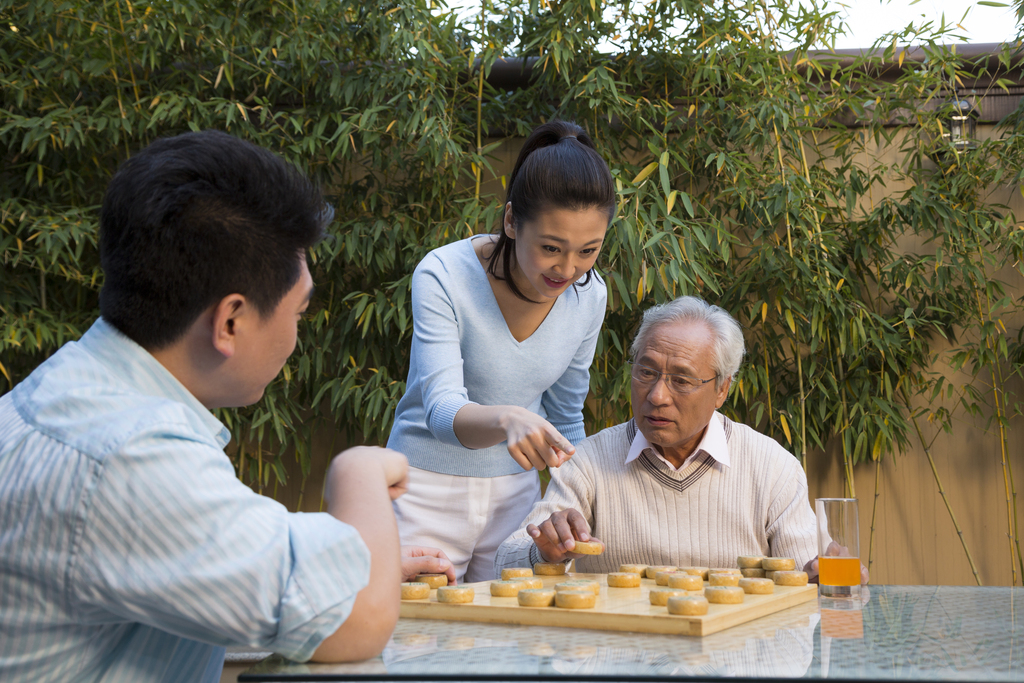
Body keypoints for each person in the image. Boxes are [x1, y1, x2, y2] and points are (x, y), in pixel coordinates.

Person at [0, 130, 453, 683]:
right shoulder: (132, 455)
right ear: (231, 321)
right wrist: (356, 473)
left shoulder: (63, 395)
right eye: (300, 311)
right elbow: (358, 622)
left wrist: (353, 561)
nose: (296, 335)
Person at [495, 296, 869, 584]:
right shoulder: (589, 462)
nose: (657, 395)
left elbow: (804, 581)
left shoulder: (772, 467)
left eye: (682, 380)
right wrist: (543, 553)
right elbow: (504, 563)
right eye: (646, 372)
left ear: (722, 389)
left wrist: (826, 580)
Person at [387, 120, 615, 582]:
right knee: (413, 645)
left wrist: (577, 499)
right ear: (512, 221)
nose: (568, 269)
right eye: (551, 247)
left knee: (512, 643)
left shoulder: (589, 296)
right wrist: (508, 417)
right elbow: (442, 411)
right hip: (423, 490)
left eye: (588, 251)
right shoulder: (444, 274)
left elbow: (567, 417)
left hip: (518, 498)